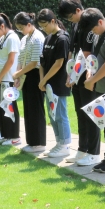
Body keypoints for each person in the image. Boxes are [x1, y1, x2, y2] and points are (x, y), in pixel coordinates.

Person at [58, 0, 101, 164]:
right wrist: (70, 74)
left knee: (91, 113)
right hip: (76, 73)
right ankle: (83, 148)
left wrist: (75, 75)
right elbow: (74, 51)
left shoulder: (89, 24)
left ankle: (94, 152)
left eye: (70, 16)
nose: (70, 20)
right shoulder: (75, 25)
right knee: (80, 112)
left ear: (78, 10)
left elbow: (87, 54)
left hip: (88, 74)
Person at [79, 8, 105, 169]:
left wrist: (91, 81)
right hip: (99, 87)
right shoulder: (98, 34)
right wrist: (89, 75)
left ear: (101, 22)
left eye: (93, 28)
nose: (93, 32)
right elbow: (94, 59)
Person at [37, 9, 72, 158]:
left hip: (58, 83)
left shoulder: (62, 38)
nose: (44, 29)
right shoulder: (48, 38)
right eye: (41, 27)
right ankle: (59, 142)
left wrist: (44, 80)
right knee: (52, 114)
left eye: (45, 26)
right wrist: (42, 79)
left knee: (60, 114)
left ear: (53, 21)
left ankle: (65, 144)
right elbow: (42, 62)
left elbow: (59, 64)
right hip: (48, 84)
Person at [13, 12, 46, 153]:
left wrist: (19, 73)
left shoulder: (38, 38)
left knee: (36, 109)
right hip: (25, 75)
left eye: (21, 27)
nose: (20, 31)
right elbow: (21, 58)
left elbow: (34, 63)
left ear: (28, 24)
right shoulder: (25, 38)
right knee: (28, 109)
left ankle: (39, 142)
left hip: (34, 75)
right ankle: (31, 141)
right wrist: (18, 75)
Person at [0, 13, 21, 146]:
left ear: (2, 26)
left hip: (8, 79)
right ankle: (6, 134)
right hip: (1, 78)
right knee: (3, 108)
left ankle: (14, 136)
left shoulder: (12, 38)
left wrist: (0, 76)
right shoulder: (3, 38)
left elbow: (11, 60)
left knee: (10, 108)